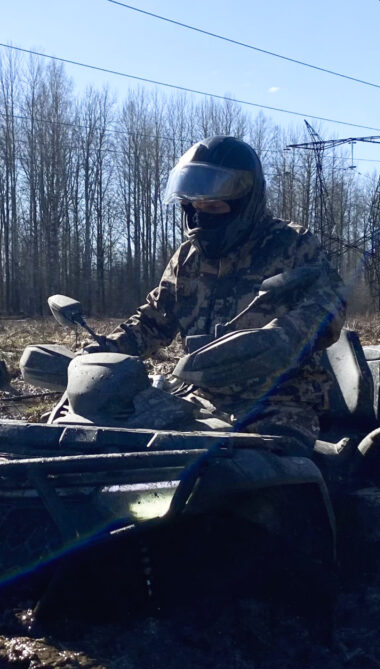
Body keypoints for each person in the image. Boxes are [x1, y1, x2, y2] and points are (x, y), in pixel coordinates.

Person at [96, 135, 347, 452]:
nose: (201, 217)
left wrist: (284, 336)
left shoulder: (292, 244)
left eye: (213, 207)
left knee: (264, 468)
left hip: (279, 399)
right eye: (194, 207)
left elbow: (330, 304)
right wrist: (103, 352)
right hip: (198, 394)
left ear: (245, 202)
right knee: (124, 447)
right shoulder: (188, 257)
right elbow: (152, 321)